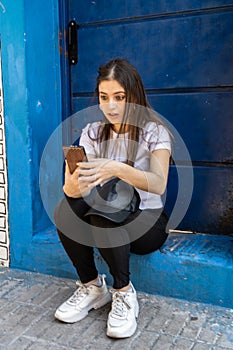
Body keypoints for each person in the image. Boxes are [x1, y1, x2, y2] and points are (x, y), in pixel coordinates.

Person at [54, 58, 172, 338]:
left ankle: (124, 293)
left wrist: (116, 168)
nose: (112, 106)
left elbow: (158, 183)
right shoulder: (93, 133)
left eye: (120, 97)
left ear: (134, 95)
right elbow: (74, 193)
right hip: (108, 214)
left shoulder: (155, 132)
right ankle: (93, 287)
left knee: (103, 214)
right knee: (66, 209)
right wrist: (73, 181)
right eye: (104, 98)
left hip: (149, 222)